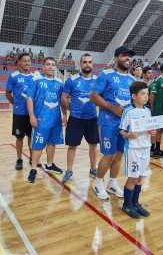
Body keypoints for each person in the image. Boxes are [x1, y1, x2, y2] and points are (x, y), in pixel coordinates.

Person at [90, 46, 136, 200]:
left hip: (124, 125)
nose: (127, 58)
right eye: (124, 55)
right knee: (108, 155)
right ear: (116, 58)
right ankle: (98, 183)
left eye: (129, 56)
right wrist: (112, 108)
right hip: (107, 121)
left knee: (119, 155)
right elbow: (94, 96)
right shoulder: (106, 75)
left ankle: (112, 184)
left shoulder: (132, 80)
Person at [26, 57, 67, 183]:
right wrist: (32, 116)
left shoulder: (59, 83)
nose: (51, 67)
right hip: (41, 120)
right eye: (48, 64)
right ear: (43, 66)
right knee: (38, 145)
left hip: (55, 120)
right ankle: (33, 169)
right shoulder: (36, 80)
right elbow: (29, 98)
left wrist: (65, 115)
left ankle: (49, 165)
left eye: (53, 65)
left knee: (52, 143)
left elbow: (63, 101)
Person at [61, 53, 99, 183]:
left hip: (92, 118)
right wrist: (70, 111)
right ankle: (69, 170)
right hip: (76, 118)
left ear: (92, 64)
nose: (87, 64)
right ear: (80, 64)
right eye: (85, 62)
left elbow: (102, 98)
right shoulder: (72, 80)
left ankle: (93, 168)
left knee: (93, 144)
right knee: (72, 146)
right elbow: (64, 98)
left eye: (89, 62)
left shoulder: (97, 80)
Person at [119, 81, 155, 218]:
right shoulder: (128, 111)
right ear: (134, 95)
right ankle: (126, 204)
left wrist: (152, 131)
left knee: (140, 177)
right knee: (133, 178)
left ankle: (135, 202)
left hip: (145, 148)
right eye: (143, 94)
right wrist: (129, 135)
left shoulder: (147, 111)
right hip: (133, 148)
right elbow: (121, 130)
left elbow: (150, 127)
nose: (146, 97)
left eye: (147, 94)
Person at [6, 53, 36, 170]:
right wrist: (15, 104)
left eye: (29, 61)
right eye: (24, 61)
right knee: (19, 137)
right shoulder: (13, 76)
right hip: (19, 113)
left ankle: (32, 157)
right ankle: (19, 159)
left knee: (31, 137)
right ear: (19, 63)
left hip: (31, 114)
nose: (27, 63)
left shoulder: (34, 77)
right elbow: (8, 93)